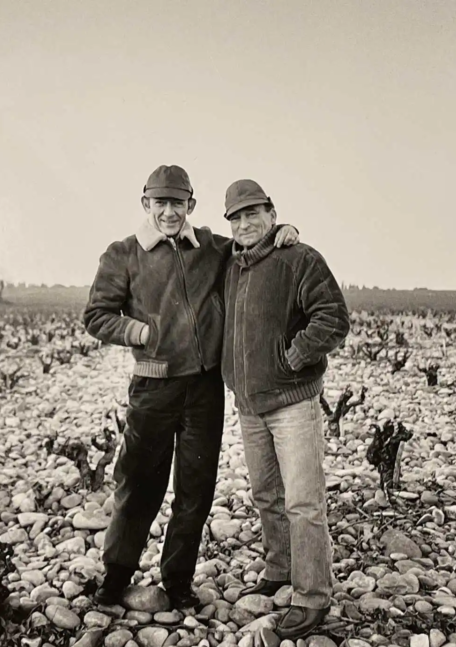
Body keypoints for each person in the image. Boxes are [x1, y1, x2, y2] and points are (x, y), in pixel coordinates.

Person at [83, 165, 299, 610]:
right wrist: (140, 334)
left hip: (204, 390)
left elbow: (250, 242)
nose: (168, 211)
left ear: (190, 206)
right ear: (146, 204)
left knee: (195, 490)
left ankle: (177, 582)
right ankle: (116, 577)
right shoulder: (122, 254)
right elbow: (96, 316)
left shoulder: (211, 248)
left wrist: (286, 229)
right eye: (159, 202)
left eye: (176, 203)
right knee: (139, 485)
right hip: (153, 389)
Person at [221, 179, 350, 638]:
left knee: (303, 500)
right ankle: (280, 568)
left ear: (272, 214)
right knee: (266, 495)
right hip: (250, 405)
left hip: (293, 401)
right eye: (236, 216)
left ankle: (312, 596)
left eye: (253, 212)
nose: (245, 223)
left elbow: (333, 317)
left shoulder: (300, 258)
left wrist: (294, 356)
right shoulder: (231, 265)